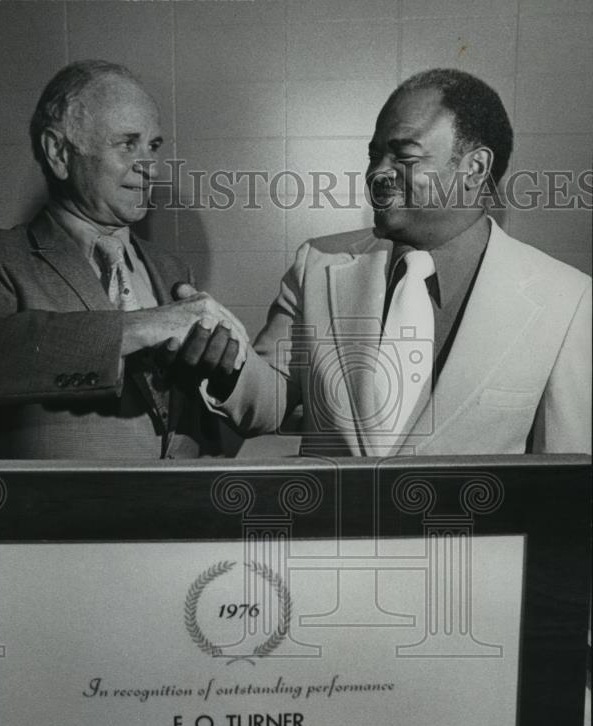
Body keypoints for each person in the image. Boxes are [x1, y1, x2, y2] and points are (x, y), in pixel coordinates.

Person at [215, 68, 591, 456]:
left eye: (405, 156)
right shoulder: (317, 266)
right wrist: (222, 365)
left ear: (474, 169)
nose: (377, 173)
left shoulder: (568, 302)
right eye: (374, 155)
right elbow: (267, 401)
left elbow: (567, 483)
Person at [0, 61, 245, 459]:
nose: (150, 166)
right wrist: (137, 328)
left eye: (153, 146)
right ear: (59, 152)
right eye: (127, 144)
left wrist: (220, 381)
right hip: (58, 517)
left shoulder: (171, 269)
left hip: (178, 513)